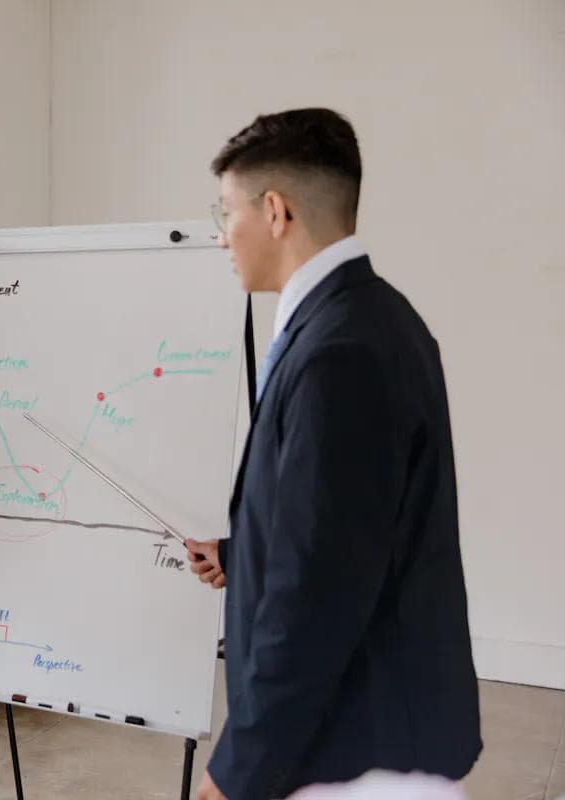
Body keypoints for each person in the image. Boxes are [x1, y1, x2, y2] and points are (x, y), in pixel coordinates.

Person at [185, 109, 481, 799]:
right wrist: (240, 554)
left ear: (276, 210)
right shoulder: (371, 317)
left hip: (356, 745)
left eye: (225, 211)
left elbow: (314, 597)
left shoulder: (339, 352)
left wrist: (237, 769)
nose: (221, 233)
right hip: (365, 724)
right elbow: (348, 527)